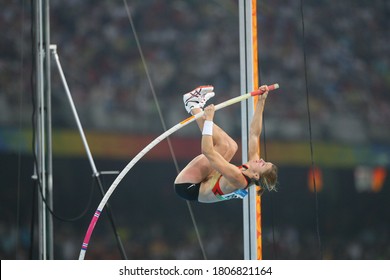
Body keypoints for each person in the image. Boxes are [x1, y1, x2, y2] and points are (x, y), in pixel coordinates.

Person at [174, 85, 278, 203]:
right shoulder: (252, 167)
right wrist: (261, 101)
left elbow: (207, 151)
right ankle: (194, 105)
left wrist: (209, 120)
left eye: (263, 165)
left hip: (188, 187)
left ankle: (193, 104)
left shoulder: (238, 178)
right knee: (231, 146)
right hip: (207, 180)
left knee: (223, 146)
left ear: (256, 175)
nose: (262, 160)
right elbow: (254, 134)